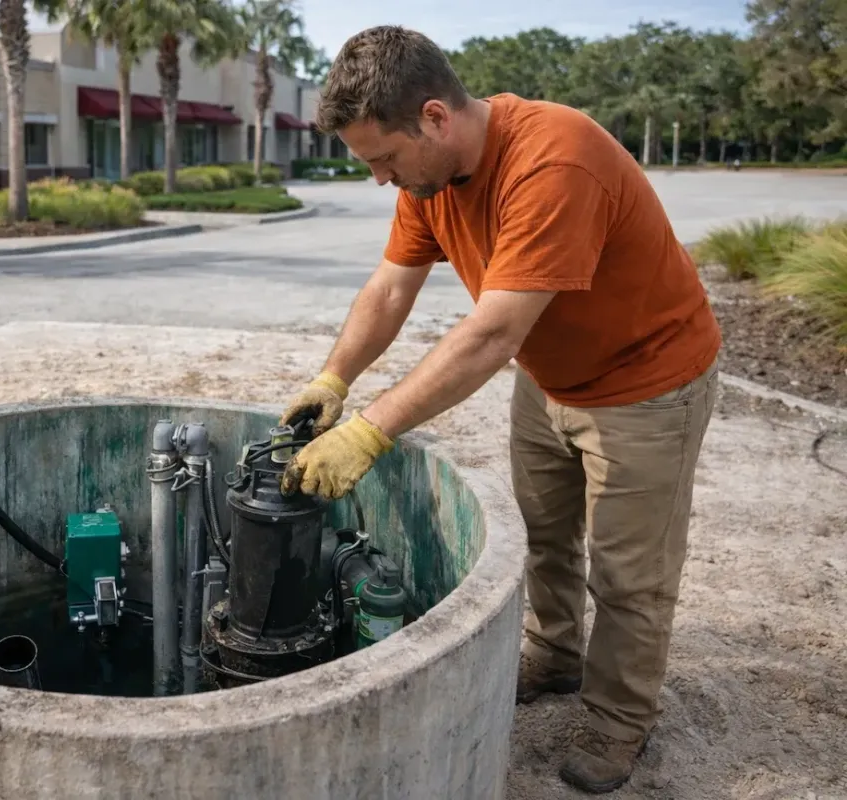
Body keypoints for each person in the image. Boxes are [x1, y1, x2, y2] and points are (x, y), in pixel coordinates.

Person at [277, 24, 722, 795]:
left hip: (647, 383)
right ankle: (555, 659)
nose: (381, 179)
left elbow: (491, 333)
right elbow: (390, 289)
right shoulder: (431, 179)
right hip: (550, 379)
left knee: (629, 576)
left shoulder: (553, 158)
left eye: (383, 159)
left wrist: (371, 430)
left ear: (436, 118)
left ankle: (617, 721)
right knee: (546, 538)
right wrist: (334, 378)